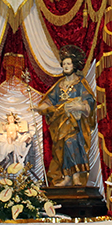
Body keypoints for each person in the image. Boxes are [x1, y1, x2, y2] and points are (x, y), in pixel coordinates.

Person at [34, 45, 96, 187]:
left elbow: (89, 100)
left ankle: (76, 176)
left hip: (75, 124)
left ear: (74, 65)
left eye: (68, 64)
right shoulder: (60, 85)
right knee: (61, 149)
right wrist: (39, 108)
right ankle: (67, 176)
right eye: (64, 64)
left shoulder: (80, 83)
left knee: (72, 144)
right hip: (60, 123)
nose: (66, 66)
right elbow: (48, 101)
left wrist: (81, 107)